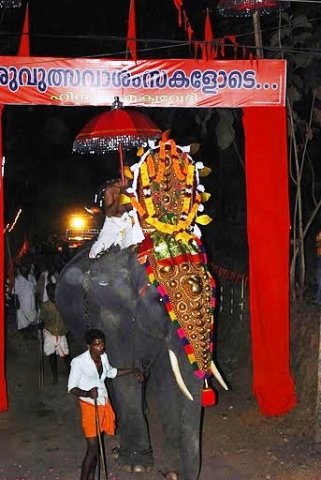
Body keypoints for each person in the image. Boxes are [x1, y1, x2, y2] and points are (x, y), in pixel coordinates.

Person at [68, 328, 143, 480]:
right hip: (89, 406)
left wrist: (132, 370)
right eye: (96, 344)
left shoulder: (103, 357)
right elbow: (71, 388)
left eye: (102, 343)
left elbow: (110, 372)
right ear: (89, 346)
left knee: (97, 447)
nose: (100, 347)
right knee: (93, 449)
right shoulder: (79, 362)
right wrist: (87, 393)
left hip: (102, 403)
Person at [89, 176, 144, 258]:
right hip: (113, 222)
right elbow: (109, 213)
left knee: (130, 250)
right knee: (97, 252)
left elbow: (131, 209)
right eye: (127, 178)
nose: (128, 181)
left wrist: (128, 196)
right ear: (120, 178)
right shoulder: (110, 190)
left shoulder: (131, 190)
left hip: (127, 222)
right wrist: (120, 196)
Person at [38, 283, 71, 384]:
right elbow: (42, 319)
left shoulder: (64, 303)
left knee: (65, 356)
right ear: (47, 293)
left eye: (53, 292)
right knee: (51, 356)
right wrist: (40, 325)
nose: (52, 294)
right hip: (50, 333)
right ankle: (55, 377)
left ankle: (72, 374)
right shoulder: (45, 306)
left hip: (61, 333)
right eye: (50, 293)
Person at [13, 262, 37, 331]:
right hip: (23, 302)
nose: (25, 270)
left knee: (32, 317)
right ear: (20, 270)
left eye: (26, 268)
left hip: (32, 301)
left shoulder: (31, 277)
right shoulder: (17, 280)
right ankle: (26, 332)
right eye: (23, 269)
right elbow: (15, 293)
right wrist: (17, 303)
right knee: (24, 319)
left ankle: (30, 330)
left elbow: (35, 288)